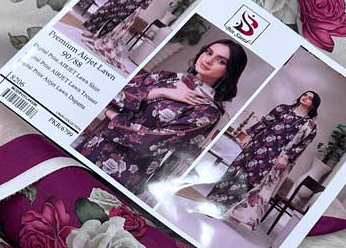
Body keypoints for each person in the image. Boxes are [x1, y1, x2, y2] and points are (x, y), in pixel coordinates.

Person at [73, 39, 247, 195]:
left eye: (220, 61)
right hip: (92, 147)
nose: (208, 60)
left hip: (123, 172)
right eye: (208, 52)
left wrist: (111, 114)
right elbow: (111, 94)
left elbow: (150, 142)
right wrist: (159, 92)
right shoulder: (165, 77)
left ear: (228, 73)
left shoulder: (207, 111)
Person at [204, 90, 320, 229]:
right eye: (305, 95)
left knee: (247, 181)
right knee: (233, 171)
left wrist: (286, 157)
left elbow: (302, 145)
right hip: (256, 144)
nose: (305, 98)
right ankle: (210, 201)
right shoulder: (282, 109)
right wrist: (249, 135)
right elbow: (264, 123)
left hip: (272, 156)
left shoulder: (310, 126)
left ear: (313, 105)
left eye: (310, 98)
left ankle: (220, 209)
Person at [80, 0, 169, 71]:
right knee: (104, 13)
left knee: (114, 21)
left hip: (132, 4)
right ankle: (91, 31)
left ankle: (98, 37)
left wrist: (140, 7)